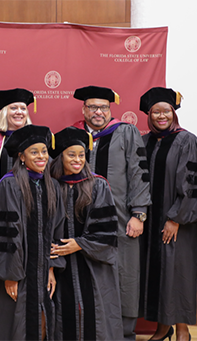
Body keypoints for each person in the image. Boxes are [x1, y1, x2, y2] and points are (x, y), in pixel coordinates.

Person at [71, 85, 151, 341]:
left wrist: (138, 214)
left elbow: (139, 173)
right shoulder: (73, 134)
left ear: (110, 109)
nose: (98, 112)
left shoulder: (126, 132)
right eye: (92, 107)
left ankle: (124, 333)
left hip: (121, 217)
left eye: (103, 107)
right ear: (84, 109)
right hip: (81, 221)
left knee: (124, 273)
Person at [138, 87, 197, 341]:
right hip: (150, 221)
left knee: (177, 273)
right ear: (149, 114)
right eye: (156, 111)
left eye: (166, 111)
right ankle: (161, 327)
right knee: (156, 273)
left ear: (173, 112)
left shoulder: (186, 140)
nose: (161, 116)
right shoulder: (144, 141)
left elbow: (193, 184)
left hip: (177, 222)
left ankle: (182, 330)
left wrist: (176, 218)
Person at [0, 125, 65, 341]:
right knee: (13, 324)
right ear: (21, 156)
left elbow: (57, 229)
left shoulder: (52, 186)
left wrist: (50, 267)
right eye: (34, 152)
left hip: (40, 270)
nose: (41, 156)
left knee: (42, 319)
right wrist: (10, 275)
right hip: (16, 272)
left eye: (44, 151)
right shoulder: (10, 184)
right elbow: (5, 235)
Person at [49, 127, 123, 341]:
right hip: (60, 266)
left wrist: (80, 244)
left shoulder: (97, 184)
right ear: (60, 157)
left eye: (81, 155)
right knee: (63, 315)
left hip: (92, 265)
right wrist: (50, 264)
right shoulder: (50, 186)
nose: (77, 160)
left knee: (94, 315)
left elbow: (107, 231)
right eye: (71, 155)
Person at [0, 88, 34, 178]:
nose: (19, 112)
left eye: (23, 108)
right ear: (5, 113)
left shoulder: (34, 139)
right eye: (14, 108)